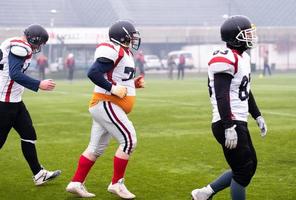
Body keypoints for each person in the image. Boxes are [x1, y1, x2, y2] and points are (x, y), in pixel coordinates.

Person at [191, 15, 268, 200]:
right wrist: (228, 126)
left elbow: (245, 90)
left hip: (237, 121)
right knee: (243, 171)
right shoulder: (225, 58)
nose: (251, 37)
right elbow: (221, 94)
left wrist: (257, 115)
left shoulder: (243, 58)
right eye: (247, 33)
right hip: (227, 121)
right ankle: (205, 193)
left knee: (249, 166)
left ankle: (205, 193)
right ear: (235, 36)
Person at [66, 20, 144, 199]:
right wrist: (112, 89)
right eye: (131, 36)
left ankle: (76, 182)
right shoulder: (113, 49)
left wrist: (132, 85)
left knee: (95, 148)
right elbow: (93, 73)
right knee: (129, 140)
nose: (134, 39)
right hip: (106, 103)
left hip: (109, 104)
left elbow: (116, 77)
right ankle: (117, 184)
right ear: (123, 36)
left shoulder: (125, 52)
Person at [0, 24, 61, 185]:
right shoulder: (21, 47)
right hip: (5, 103)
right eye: (39, 43)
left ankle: (39, 174)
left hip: (14, 100)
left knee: (28, 134)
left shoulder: (12, 42)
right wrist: (38, 84)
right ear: (34, 39)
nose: (38, 47)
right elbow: (14, 73)